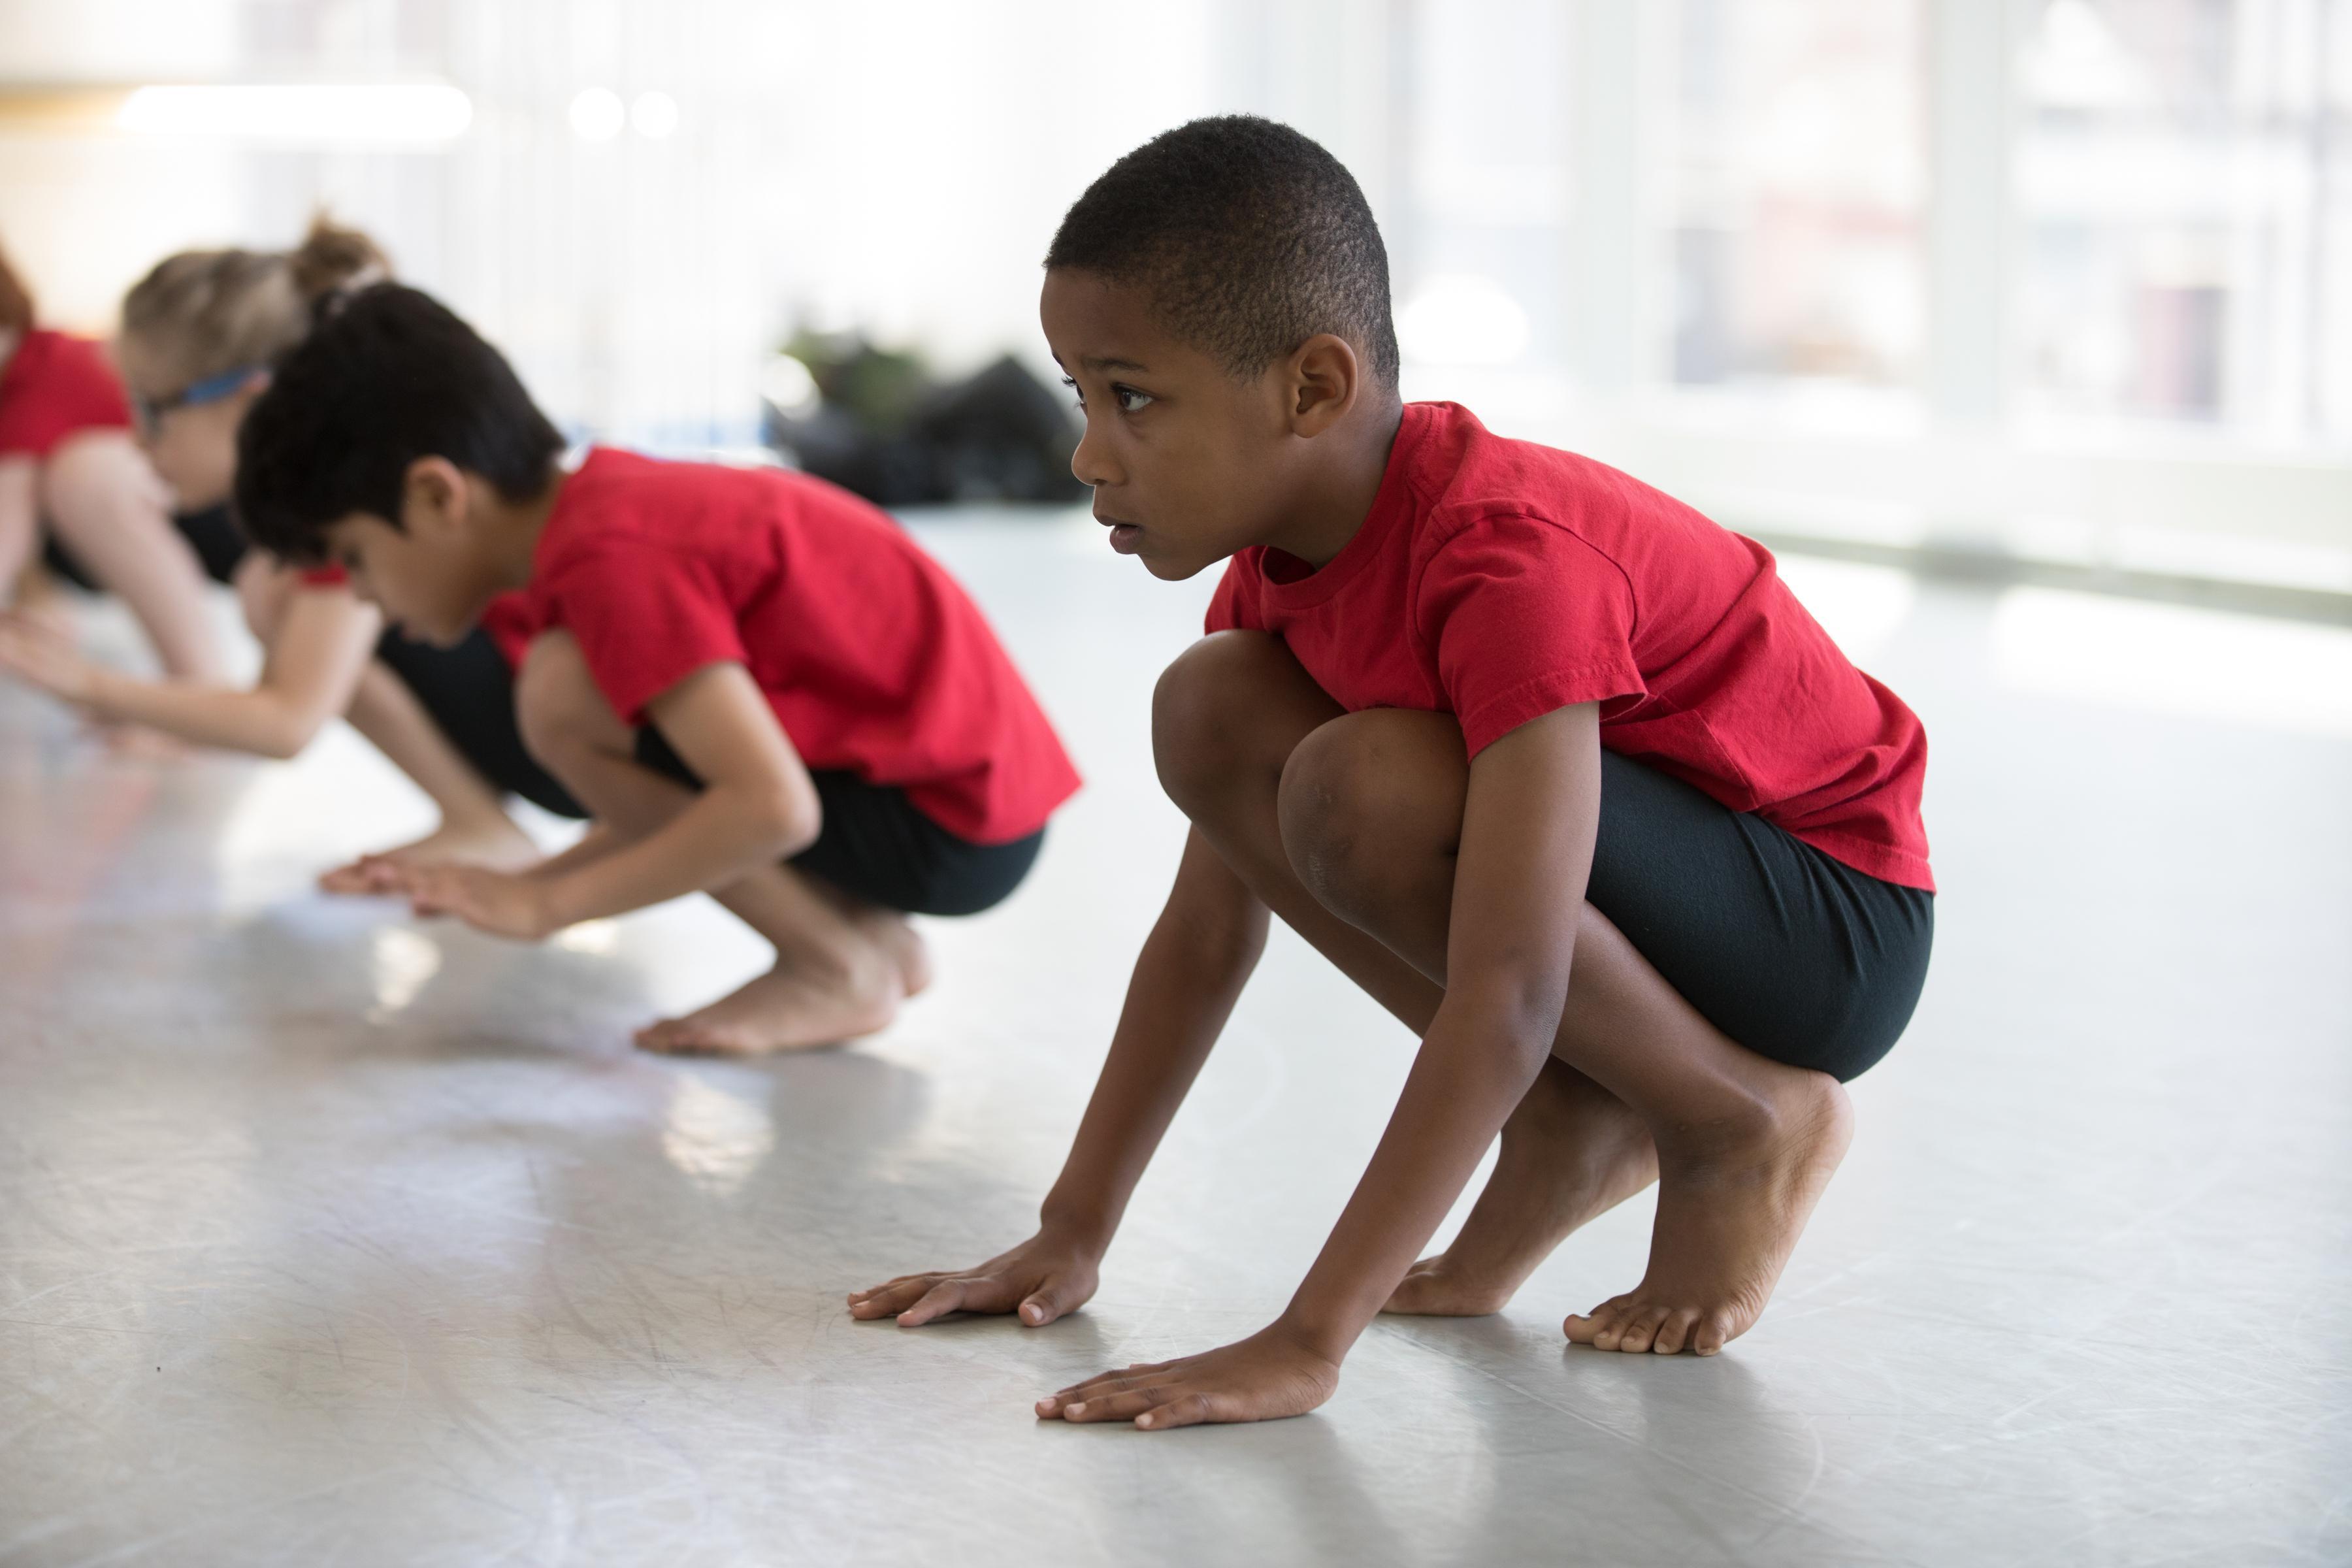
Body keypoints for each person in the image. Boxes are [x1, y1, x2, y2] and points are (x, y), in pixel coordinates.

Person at [849, 116, 1935, 1428]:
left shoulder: (1504, 557)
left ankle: (1736, 1119)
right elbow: (1206, 935)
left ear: (1312, 389)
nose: (1088, 453)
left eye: (1133, 397)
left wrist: (1311, 1340)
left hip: (1825, 920)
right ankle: (1575, 1122)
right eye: (1082, 396)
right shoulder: (1276, 574)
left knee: (1367, 784)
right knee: (1211, 713)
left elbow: (1513, 983)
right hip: (1661, 902)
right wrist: (1069, 1233)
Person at [231, 283, 1082, 1054]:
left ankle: (834, 966)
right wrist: (526, 877)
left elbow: (766, 807)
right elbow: (691, 790)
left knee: (560, 698)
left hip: (955, 819)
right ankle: (866, 936)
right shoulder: (601, 512)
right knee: (565, 692)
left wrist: (544, 907)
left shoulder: (613, 556)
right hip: (957, 800)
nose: (367, 600)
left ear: (437, 496)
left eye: (357, 559)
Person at [0, 221, 583, 886]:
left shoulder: (348, 503)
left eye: (153, 413)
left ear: (244, 401)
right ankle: (477, 821)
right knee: (267, 586)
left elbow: (287, 723)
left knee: (276, 594)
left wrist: (87, 682)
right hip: (536, 729)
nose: (136, 442)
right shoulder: (318, 503)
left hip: (557, 743)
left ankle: (481, 827)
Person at [0, 239, 226, 692]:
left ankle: (200, 688)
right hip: (151, 510)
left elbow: (8, 538)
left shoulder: (39, 374)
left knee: (82, 474)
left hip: (205, 511)